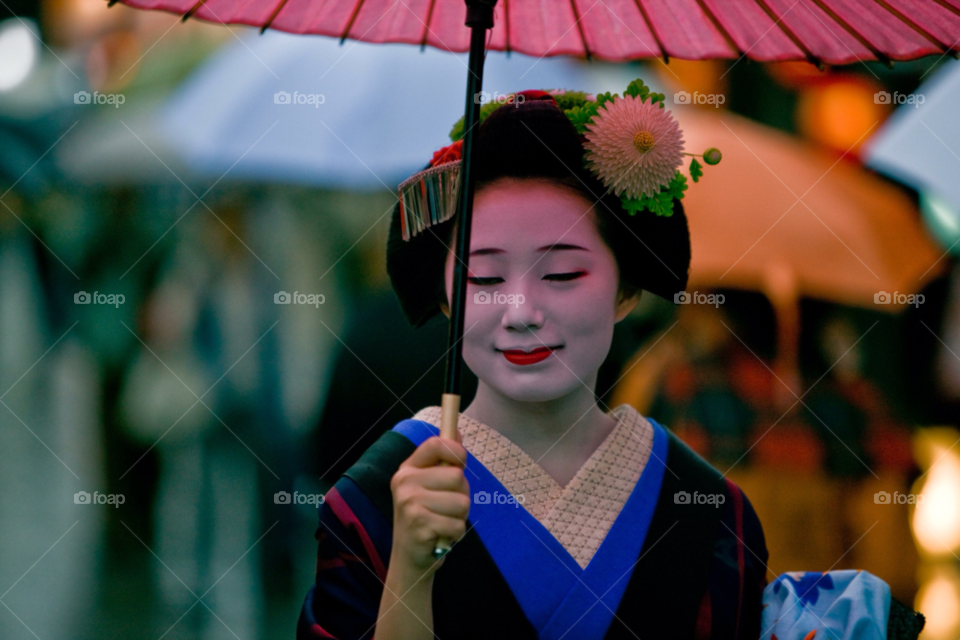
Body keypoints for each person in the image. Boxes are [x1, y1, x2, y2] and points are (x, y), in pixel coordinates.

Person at [297, 86, 768, 640]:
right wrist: (410, 570)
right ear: (446, 295)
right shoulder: (372, 502)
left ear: (627, 291)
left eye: (563, 274)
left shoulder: (710, 510)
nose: (519, 311)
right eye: (485, 278)